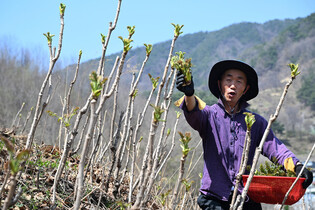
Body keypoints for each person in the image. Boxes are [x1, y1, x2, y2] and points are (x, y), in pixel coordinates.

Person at [175, 60, 313, 210]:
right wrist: (189, 94)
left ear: (245, 89)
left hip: (246, 198)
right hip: (214, 199)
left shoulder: (256, 122)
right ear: (220, 84)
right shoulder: (209, 115)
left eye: (239, 81)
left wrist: (297, 167)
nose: (233, 85)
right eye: (228, 80)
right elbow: (193, 113)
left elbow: (275, 149)